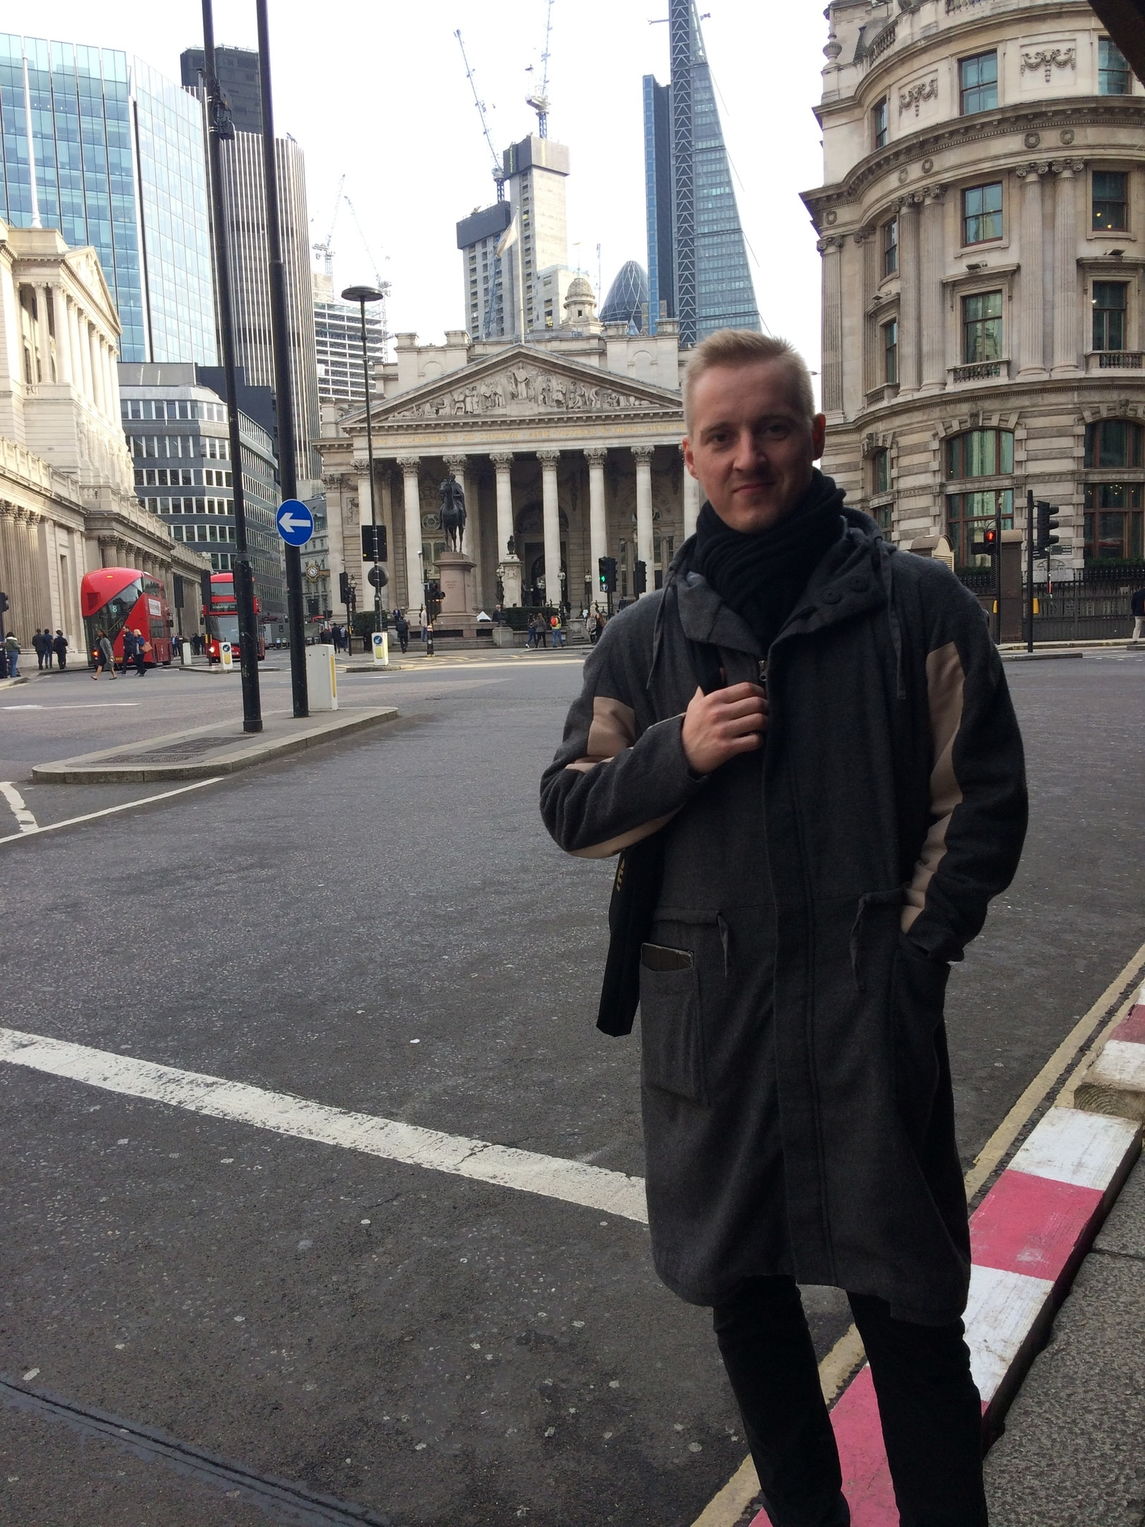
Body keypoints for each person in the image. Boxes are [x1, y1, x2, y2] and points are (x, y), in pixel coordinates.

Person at [540, 330, 1028, 1527]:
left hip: (866, 1015)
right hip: (713, 1028)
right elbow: (571, 807)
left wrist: (911, 959)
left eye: (768, 429)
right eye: (720, 436)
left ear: (812, 436)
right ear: (689, 456)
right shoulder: (642, 641)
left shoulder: (916, 608)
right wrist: (678, 750)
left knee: (909, 1314)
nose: (746, 456)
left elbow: (980, 802)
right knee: (748, 1305)